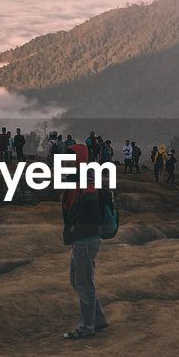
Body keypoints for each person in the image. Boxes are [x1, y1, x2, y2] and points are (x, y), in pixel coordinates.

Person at [61, 142, 111, 340]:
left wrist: (76, 228)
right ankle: (98, 319)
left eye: (71, 158)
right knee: (76, 281)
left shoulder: (87, 183)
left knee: (83, 284)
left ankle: (86, 327)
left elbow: (92, 215)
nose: (67, 161)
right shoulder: (78, 180)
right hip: (80, 240)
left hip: (85, 240)